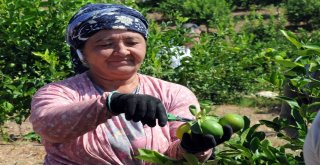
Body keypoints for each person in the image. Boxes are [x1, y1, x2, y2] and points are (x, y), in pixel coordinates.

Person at [30, 3, 232, 164]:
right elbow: (48, 125)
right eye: (105, 44)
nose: (122, 51)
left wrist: (193, 148)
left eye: (132, 42)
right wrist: (111, 103)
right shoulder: (59, 92)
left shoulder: (173, 93)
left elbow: (174, 155)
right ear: (82, 53)